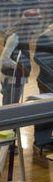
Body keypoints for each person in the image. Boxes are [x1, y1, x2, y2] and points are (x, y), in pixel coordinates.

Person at [0, 10, 41, 105]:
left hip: (16, 78)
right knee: (10, 110)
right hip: (12, 79)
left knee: (13, 106)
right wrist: (20, 68)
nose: (35, 27)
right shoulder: (15, 36)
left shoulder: (23, 34)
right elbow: (4, 59)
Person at [33, 23, 53, 153]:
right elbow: (38, 58)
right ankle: (39, 141)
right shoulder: (45, 37)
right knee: (44, 112)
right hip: (46, 81)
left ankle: (47, 139)